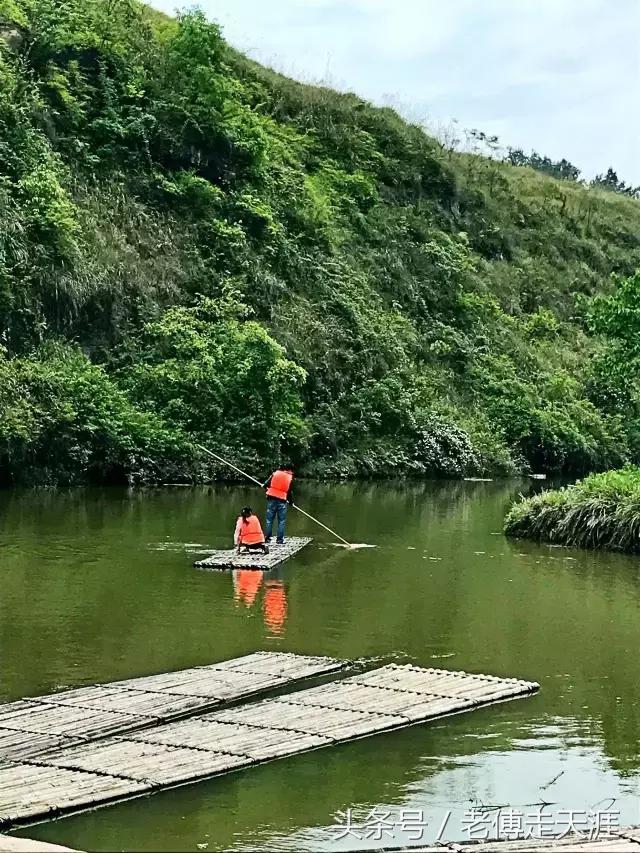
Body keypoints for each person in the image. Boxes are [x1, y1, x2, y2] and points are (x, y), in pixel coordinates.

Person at [263, 463, 294, 544]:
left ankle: (267, 538)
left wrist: (264, 486)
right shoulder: (290, 477)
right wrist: (291, 502)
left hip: (271, 498)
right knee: (281, 521)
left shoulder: (275, 473)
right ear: (290, 470)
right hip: (282, 501)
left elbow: (266, 484)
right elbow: (289, 492)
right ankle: (279, 540)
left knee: (269, 520)